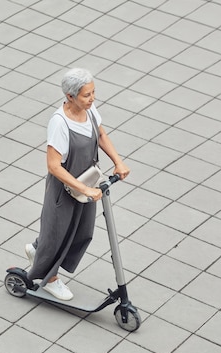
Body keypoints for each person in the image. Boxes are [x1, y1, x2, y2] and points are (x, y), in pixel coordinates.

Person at [25, 68, 130, 301]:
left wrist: (118, 162)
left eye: (93, 93)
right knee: (58, 234)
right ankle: (49, 278)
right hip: (65, 189)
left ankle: (37, 248)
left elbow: (101, 135)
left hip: (88, 182)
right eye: (86, 95)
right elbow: (53, 166)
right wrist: (83, 189)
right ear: (70, 96)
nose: (92, 98)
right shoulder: (60, 123)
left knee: (83, 232)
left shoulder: (90, 110)